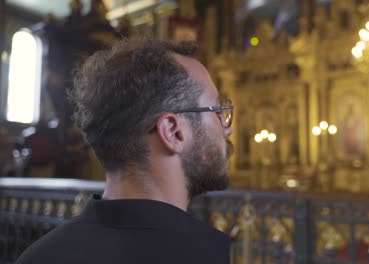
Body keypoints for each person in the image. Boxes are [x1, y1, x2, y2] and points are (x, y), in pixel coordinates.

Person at [16, 37, 234, 264]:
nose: (227, 128)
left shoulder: (39, 256)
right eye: (217, 110)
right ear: (172, 131)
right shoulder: (205, 255)